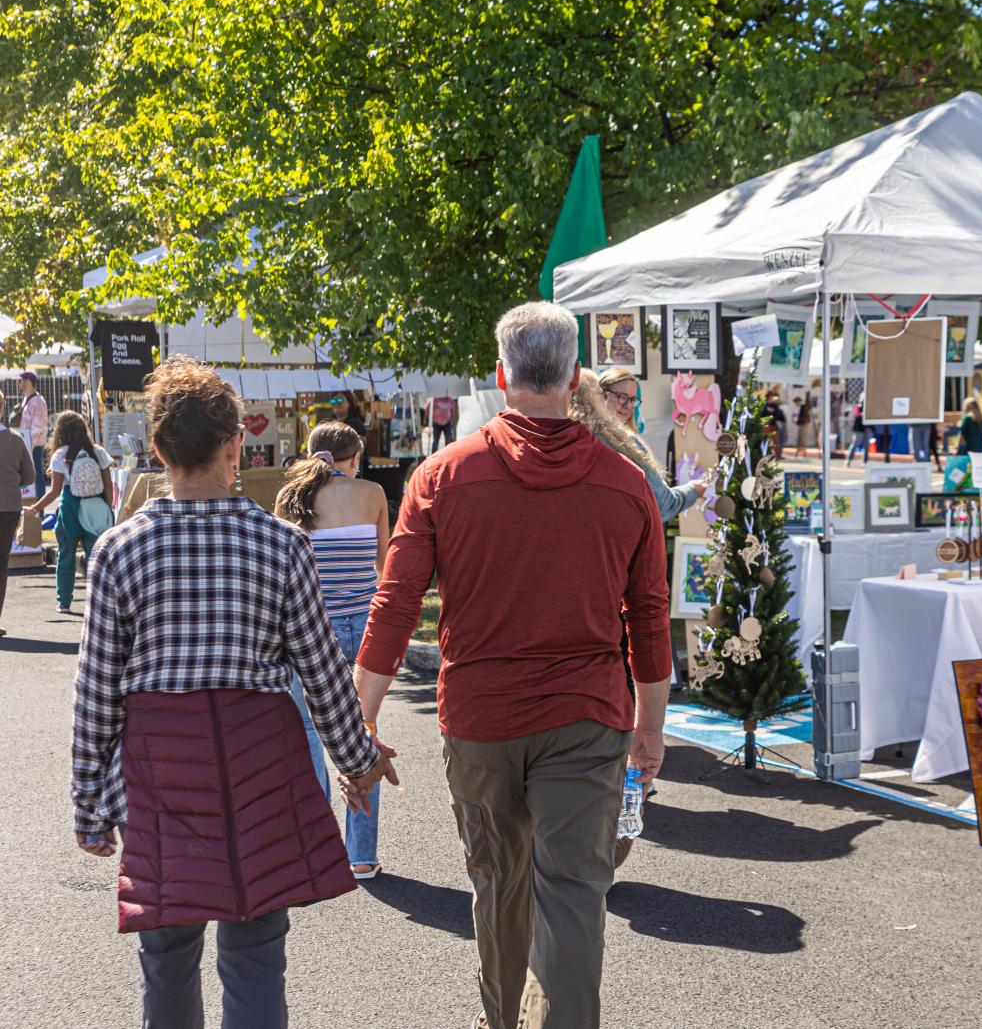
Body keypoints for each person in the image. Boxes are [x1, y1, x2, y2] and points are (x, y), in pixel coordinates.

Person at [354, 302, 671, 1029]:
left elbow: (395, 606)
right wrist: (650, 728)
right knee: (574, 897)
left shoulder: (440, 477)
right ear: (573, 379)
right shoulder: (626, 486)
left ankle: (503, 1022)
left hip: (480, 716)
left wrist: (359, 718)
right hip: (588, 716)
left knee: (498, 888)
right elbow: (648, 620)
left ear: (502, 374)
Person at [70, 356, 395, 1029]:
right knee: (255, 954)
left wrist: (89, 803)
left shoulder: (119, 551)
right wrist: (358, 761)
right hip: (261, 768)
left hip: (160, 772)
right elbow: (322, 672)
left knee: (167, 953)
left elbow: (97, 692)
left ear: (158, 451)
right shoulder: (280, 545)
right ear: (235, 444)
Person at [276, 421, 392, 879]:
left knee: (305, 729)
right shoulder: (373, 494)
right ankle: (361, 855)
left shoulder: (292, 499)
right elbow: (385, 566)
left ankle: (315, 843)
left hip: (310, 630)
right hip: (363, 627)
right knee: (362, 733)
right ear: (355, 458)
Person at [575, 369, 705, 522]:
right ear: (601, 396)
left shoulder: (573, 437)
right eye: (622, 397)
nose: (628, 405)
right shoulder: (623, 444)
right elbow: (663, 505)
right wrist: (693, 490)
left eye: (632, 400)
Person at [27, 411, 113, 615]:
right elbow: (109, 486)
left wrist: (35, 509)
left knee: (66, 554)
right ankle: (99, 601)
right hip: (97, 505)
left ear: (60, 432)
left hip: (70, 508)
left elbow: (55, 491)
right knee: (97, 556)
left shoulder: (60, 455)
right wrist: (108, 509)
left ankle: (64, 601)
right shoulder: (98, 452)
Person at [0, 392, 35, 637]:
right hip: (9, 506)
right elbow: (30, 477)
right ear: (2, 409)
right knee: (1, 564)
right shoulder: (15, 440)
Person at [17, 369, 48, 491]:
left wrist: (28, 446)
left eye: (22, 381)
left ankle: (39, 506)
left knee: (37, 475)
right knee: (32, 474)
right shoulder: (28, 399)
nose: (20, 385)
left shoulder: (38, 401)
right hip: (28, 444)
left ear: (28, 382)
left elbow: (37, 427)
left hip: (33, 446)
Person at [846, 399, 868, 464]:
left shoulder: (870, 407)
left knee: (867, 446)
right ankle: (848, 460)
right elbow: (856, 414)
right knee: (855, 444)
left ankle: (865, 462)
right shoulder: (858, 406)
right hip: (859, 429)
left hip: (868, 428)